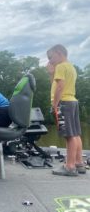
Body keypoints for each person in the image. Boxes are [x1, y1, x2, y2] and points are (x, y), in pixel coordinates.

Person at [46, 44, 86, 176]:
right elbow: (56, 84)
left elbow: (59, 87)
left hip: (63, 103)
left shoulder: (61, 66)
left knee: (69, 135)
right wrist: (51, 74)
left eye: (51, 57)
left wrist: (55, 105)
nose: (49, 61)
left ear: (59, 53)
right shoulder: (70, 67)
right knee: (75, 134)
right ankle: (79, 163)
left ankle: (69, 166)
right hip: (72, 102)